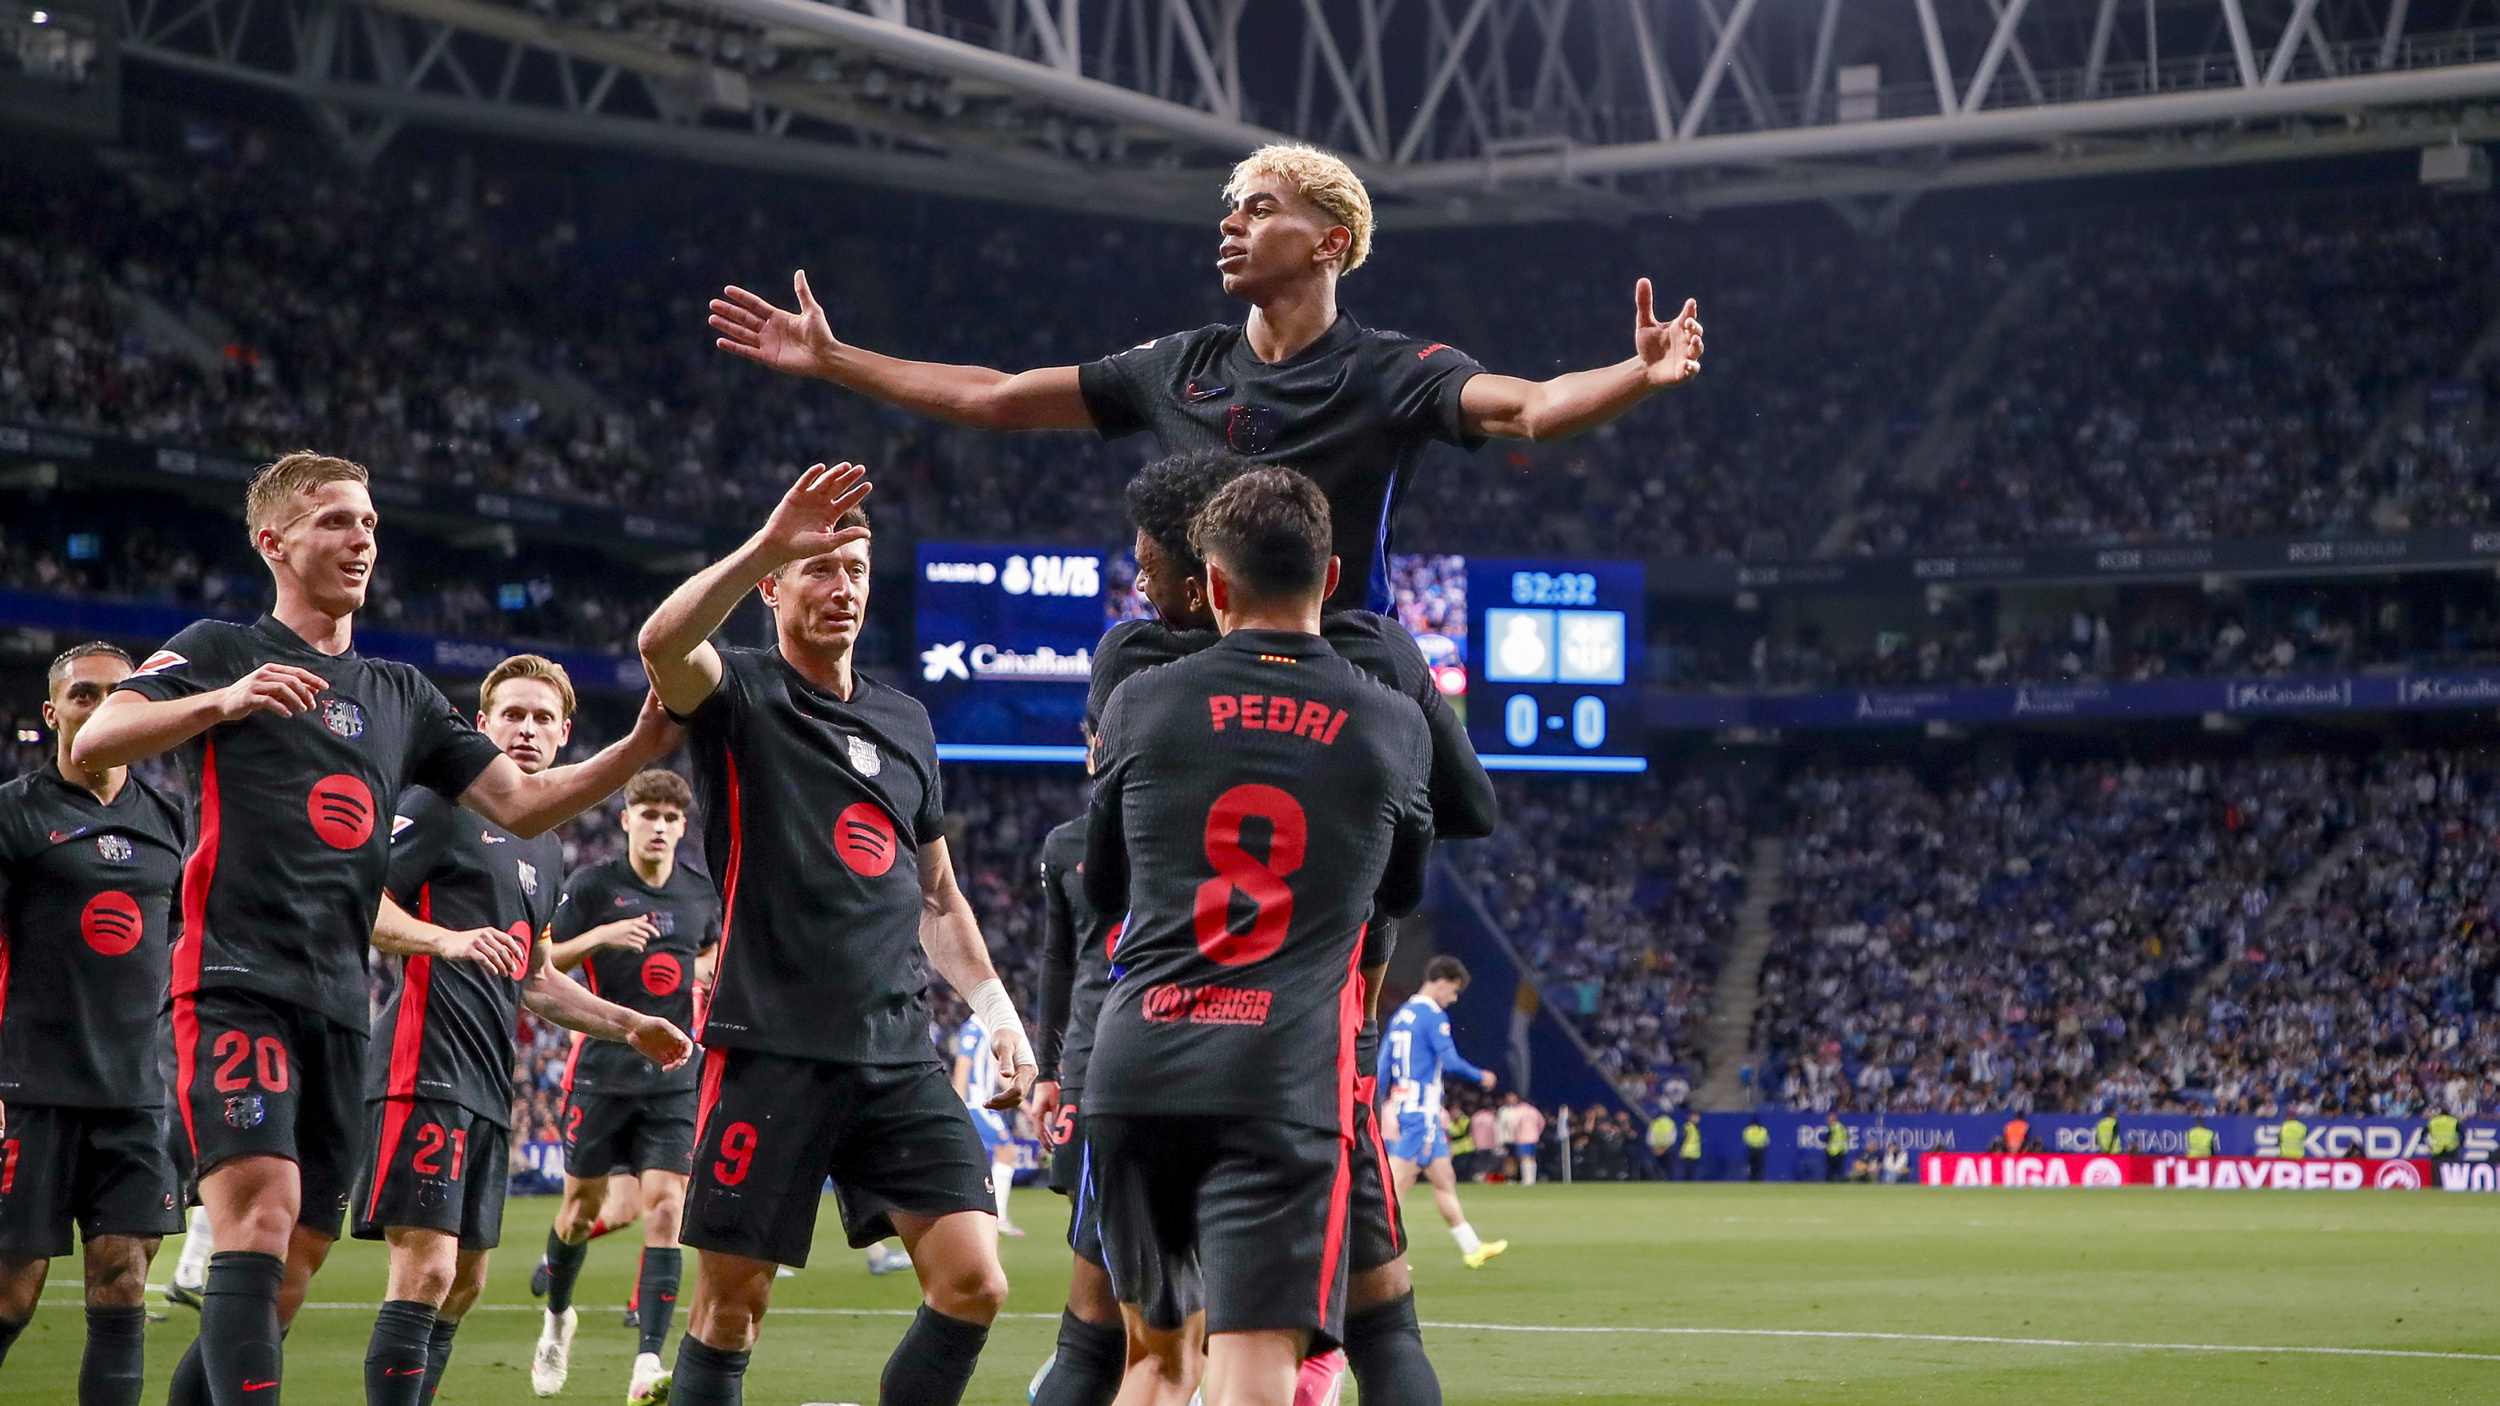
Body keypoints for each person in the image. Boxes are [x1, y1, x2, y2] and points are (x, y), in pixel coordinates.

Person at [73, 451, 681, 1406]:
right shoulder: (221, 647)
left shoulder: (402, 693)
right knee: (263, 1216)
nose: (362, 538)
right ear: (272, 541)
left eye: (369, 524)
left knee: (292, 1272)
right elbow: (94, 739)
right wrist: (222, 702)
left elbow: (523, 804)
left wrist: (642, 744)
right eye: (337, 522)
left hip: (340, 1006)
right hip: (236, 978)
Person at [709, 143, 1704, 615]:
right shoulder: (1177, 366)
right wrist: (836, 360)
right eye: (1228, 207)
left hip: (1337, 658)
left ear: (1331, 242)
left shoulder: (1391, 368)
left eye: (1258, 208)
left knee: (1448, 786)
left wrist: (1637, 372)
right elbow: (995, 396)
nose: (1229, 223)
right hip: (1189, 657)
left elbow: (1531, 410)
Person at [1088, 448, 1493, 1406]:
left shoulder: (1141, 699)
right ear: (1334, 577)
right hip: (1278, 1078)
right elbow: (1399, 893)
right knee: (1256, 1370)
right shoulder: (1393, 722)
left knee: (1151, 1359)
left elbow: (1105, 885)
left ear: (1214, 583)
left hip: (1137, 1067)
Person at [637, 461, 1036, 1406]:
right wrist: (770, 542)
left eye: (855, 569)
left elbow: (938, 897)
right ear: (774, 586)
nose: (842, 587)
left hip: (897, 1053)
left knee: (976, 1283)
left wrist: (998, 1013)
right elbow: (661, 643)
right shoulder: (737, 693)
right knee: (732, 1307)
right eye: (819, 568)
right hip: (770, 1045)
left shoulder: (907, 721)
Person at [356, 655, 697, 1406]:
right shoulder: (437, 804)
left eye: (544, 718)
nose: (527, 729)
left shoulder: (544, 843)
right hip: (423, 1062)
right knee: (427, 1271)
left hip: (486, 1080)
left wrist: (628, 1022)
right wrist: (445, 940)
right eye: (512, 714)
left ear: (564, 734)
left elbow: (537, 980)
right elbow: (362, 906)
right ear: (482, 727)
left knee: (466, 1283)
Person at [0, 643, 188, 1404]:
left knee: (123, 1281)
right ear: (53, 713)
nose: (99, 707)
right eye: (83, 695)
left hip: (135, 1097)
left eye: (118, 695)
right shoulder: (14, 811)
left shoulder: (170, 820)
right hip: (31, 1088)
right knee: (12, 1293)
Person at [532, 769, 722, 1399]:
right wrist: (603, 937)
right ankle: (558, 1319)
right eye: (650, 814)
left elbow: (713, 955)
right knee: (580, 1211)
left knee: (666, 1207)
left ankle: (647, 1361)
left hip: (674, 1079)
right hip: (600, 1073)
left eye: (672, 817)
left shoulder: (700, 893)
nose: (661, 826)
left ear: (681, 825)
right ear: (626, 819)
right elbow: (539, 960)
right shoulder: (593, 885)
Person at [1022, 812, 1126, 1406]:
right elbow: (1060, 958)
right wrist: (1050, 1070)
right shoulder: (1066, 843)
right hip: (1092, 1073)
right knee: (1103, 1270)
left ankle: (1089, 1369)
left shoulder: (1197, 813)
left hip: (1181, 1061)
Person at [1383, 957, 1506, 1268]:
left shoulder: (1402, 1014)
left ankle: (1472, 1247)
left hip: (1410, 1106)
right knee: (1396, 1185)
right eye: (1453, 991)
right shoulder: (1431, 1014)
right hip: (1421, 1112)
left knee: (1444, 1180)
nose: (1453, 999)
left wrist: (1377, 1100)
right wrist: (1482, 1076)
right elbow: (1449, 1060)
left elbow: (1383, 1063)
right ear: (1441, 981)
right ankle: (1379, 1255)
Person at [950, 1013, 1024, 1238]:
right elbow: (963, 1066)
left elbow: (996, 1073)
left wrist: (1023, 1102)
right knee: (1006, 1152)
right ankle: (996, 1216)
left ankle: (984, 1215)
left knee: (988, 1157)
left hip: (985, 1104)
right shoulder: (973, 1028)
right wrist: (959, 1106)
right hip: (975, 1103)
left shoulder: (987, 1029)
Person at [1511, 1100, 1546, 1188]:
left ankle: (1526, 1179)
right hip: (1534, 1137)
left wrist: (1515, 1135)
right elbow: (1542, 1122)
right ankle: (1532, 1179)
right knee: (1532, 1158)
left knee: (1524, 1158)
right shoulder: (1534, 1111)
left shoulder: (1519, 1111)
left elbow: (1515, 1124)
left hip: (1523, 1138)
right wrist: (1538, 1132)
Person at [1678, 1112, 1703, 1182]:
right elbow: (1681, 1139)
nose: (1697, 1119)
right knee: (1688, 1174)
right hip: (1687, 1154)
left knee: (1692, 1174)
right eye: (1695, 1117)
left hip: (1694, 1155)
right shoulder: (1688, 1127)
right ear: (1690, 1118)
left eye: (1698, 1117)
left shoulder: (1696, 1128)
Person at [1823, 1115, 1848, 1182]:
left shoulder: (1833, 1127)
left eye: (1829, 1120)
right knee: (1839, 1169)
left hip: (1833, 1151)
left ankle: (1829, 1182)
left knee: (1831, 1169)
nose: (1828, 1121)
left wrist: (1827, 1148)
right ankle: (1840, 1181)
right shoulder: (1842, 1127)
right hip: (1842, 1150)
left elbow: (1828, 1138)